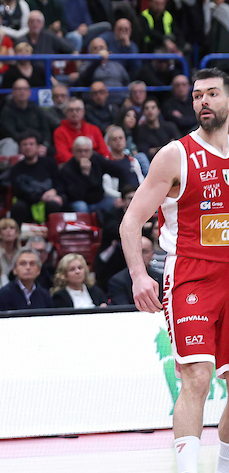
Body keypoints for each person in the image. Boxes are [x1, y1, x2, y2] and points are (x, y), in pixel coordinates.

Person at [117, 68, 229, 473]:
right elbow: (131, 222)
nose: (203, 101)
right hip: (191, 274)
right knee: (197, 376)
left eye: (212, 94)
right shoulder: (175, 154)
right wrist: (138, 275)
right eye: (198, 96)